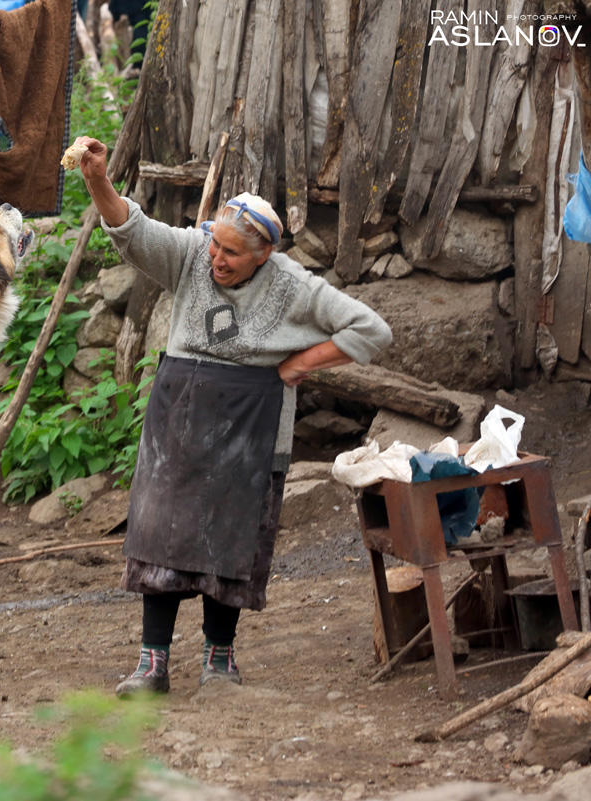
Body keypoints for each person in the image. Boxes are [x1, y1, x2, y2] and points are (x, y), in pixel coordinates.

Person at [69, 136, 393, 695]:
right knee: (159, 540)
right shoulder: (194, 253)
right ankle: (153, 666)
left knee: (233, 541)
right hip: (180, 423)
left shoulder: (293, 285)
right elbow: (134, 231)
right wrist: (98, 179)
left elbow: (372, 330)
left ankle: (219, 663)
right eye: (214, 245)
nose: (216, 259)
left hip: (252, 432)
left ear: (263, 255)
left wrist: (299, 364)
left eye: (231, 253)